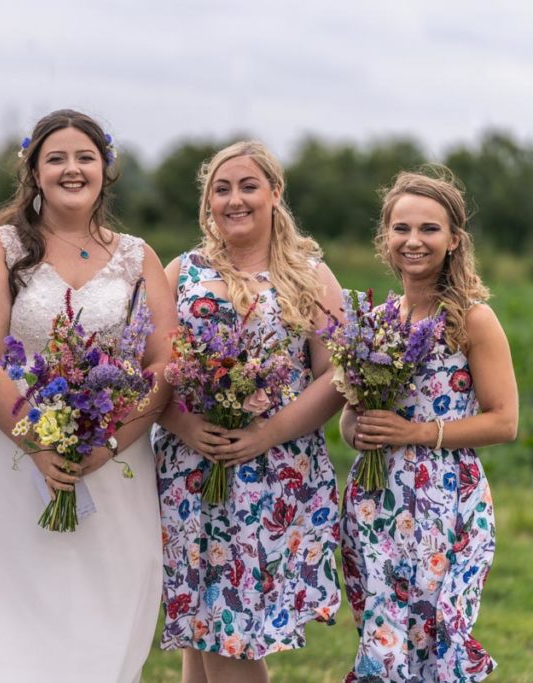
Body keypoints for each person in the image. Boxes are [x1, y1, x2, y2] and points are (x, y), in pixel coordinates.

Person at [0, 109, 175, 682]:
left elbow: (164, 363)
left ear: (105, 168)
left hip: (111, 461)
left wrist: (111, 442)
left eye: (85, 158)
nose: (72, 169)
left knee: (96, 611)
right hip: (6, 453)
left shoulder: (138, 255)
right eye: (56, 158)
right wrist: (39, 441)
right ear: (34, 171)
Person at [152, 140, 347, 683]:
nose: (234, 200)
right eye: (222, 189)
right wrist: (188, 426)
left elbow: (336, 372)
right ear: (208, 201)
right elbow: (152, 371)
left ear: (275, 193)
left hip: (274, 474)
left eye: (248, 186)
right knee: (201, 627)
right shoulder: (181, 272)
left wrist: (267, 434)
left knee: (231, 632)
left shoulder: (309, 275)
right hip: (191, 471)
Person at [339, 167, 518, 682]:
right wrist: (359, 428)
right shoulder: (374, 322)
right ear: (385, 238)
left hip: (447, 501)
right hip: (376, 502)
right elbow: (351, 419)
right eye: (402, 229)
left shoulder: (472, 319)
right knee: (385, 643)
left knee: (440, 641)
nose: (413, 241)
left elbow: (504, 421)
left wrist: (416, 433)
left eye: (429, 229)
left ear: (454, 239)